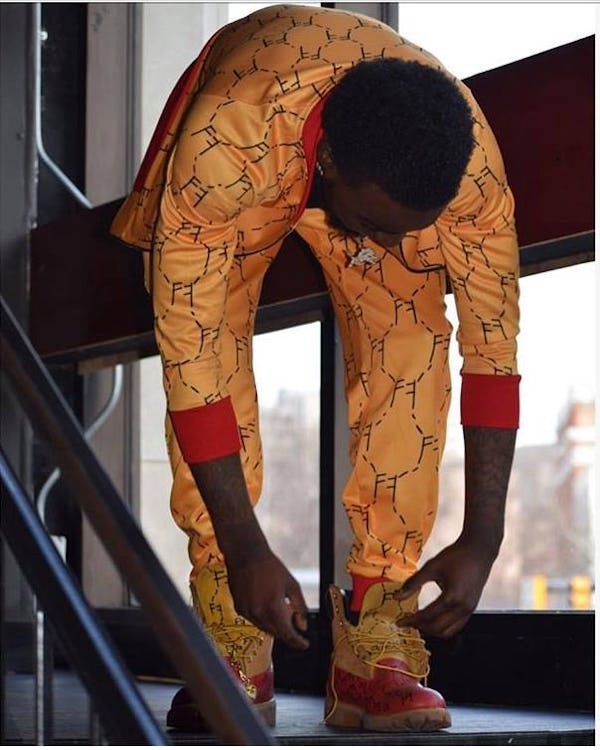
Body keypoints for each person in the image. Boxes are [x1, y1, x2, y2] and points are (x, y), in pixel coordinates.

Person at [111, 4, 520, 733]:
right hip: (249, 153)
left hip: (341, 161)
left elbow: (494, 351)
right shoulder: (223, 139)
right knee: (216, 342)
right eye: (378, 225)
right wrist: (243, 545)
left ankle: (375, 637)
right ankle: (232, 628)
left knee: (413, 340)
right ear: (328, 161)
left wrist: (484, 537)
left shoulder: (471, 171)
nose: (387, 245)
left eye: (407, 229)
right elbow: (193, 356)